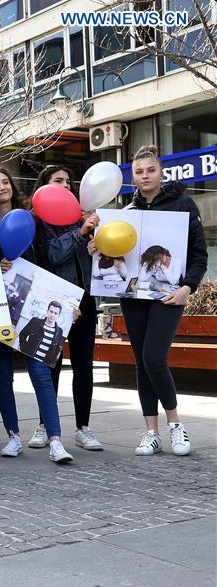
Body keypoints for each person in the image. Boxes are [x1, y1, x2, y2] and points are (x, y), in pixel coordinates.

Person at [90, 145, 207, 456]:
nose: (145, 176)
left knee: (154, 358)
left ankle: (176, 425)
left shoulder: (183, 205)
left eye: (150, 170)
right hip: (134, 297)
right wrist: (96, 250)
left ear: (161, 173)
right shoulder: (126, 212)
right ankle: (151, 432)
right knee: (142, 362)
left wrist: (187, 288)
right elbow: (113, 254)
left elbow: (199, 255)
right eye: (139, 172)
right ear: (133, 176)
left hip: (169, 296)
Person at [0, 166, 74, 463]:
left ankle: (55, 441)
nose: (2, 187)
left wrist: (67, 301)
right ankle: (13, 437)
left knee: (41, 374)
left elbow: (48, 262)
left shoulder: (33, 220)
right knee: (3, 376)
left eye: (5, 182)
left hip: (34, 307)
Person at [32, 164, 102, 451]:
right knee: (50, 365)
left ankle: (83, 427)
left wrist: (95, 246)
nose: (65, 186)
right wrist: (79, 234)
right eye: (57, 180)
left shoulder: (82, 219)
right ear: (44, 186)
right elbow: (52, 254)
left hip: (83, 301)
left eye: (68, 181)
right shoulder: (38, 222)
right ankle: (45, 425)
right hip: (55, 300)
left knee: (84, 366)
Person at [18, 301, 66, 366]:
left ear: (58, 315)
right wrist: (24, 348)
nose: (52, 315)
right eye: (51, 311)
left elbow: (57, 350)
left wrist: (51, 362)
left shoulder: (59, 331)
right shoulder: (35, 322)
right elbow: (22, 334)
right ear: (47, 311)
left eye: (55, 313)